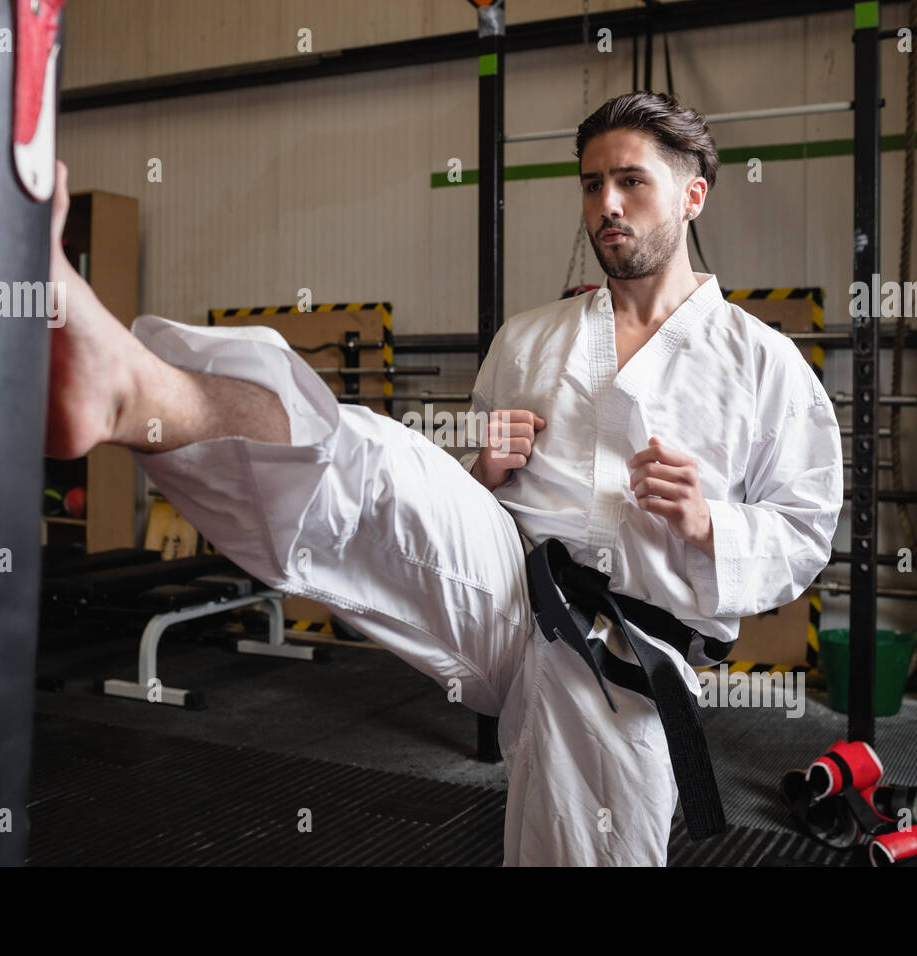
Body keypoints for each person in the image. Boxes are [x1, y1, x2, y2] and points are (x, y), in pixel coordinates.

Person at [44, 91, 844, 866]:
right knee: (383, 463)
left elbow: (805, 530)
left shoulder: (762, 363)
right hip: (508, 590)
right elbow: (459, 500)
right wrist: (480, 470)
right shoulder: (528, 341)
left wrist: (711, 523)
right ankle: (141, 394)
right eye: (593, 183)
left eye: (632, 180)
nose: (607, 203)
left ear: (692, 195)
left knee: (588, 842)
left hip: (634, 651)